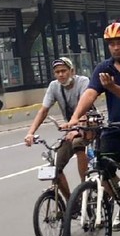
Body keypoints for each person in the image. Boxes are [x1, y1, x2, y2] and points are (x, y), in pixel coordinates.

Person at [64, 21, 120, 230]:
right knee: (102, 164)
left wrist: (113, 87)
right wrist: (76, 117)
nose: (116, 47)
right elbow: (90, 93)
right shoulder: (103, 68)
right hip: (115, 124)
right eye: (112, 44)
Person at [24, 57, 90, 199]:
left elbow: (85, 107)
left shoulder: (83, 82)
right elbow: (43, 111)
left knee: (78, 144)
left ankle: (85, 189)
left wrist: (76, 128)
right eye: (57, 72)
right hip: (70, 130)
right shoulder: (54, 86)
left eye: (64, 71)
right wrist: (30, 133)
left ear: (72, 71)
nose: (61, 74)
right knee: (55, 167)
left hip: (88, 126)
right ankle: (72, 202)